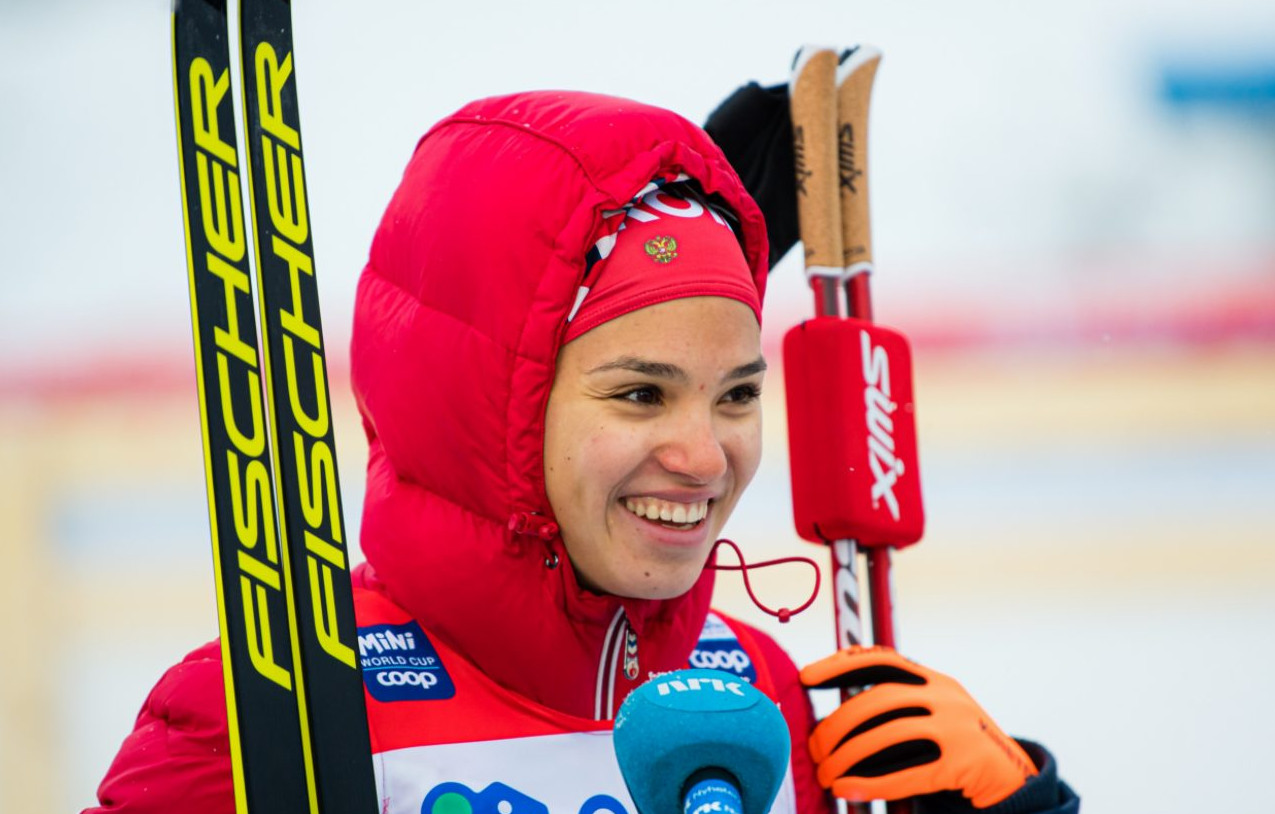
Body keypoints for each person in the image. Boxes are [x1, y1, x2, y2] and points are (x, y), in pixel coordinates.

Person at [87, 89, 1077, 814]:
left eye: (736, 394)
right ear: (494, 413)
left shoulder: (763, 694)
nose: (703, 456)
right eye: (641, 394)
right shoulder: (276, 713)